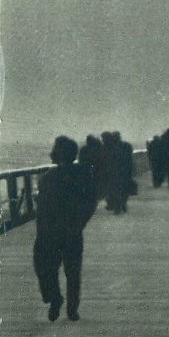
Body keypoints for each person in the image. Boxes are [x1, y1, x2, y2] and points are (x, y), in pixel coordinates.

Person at [33, 136, 97, 322]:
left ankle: (55, 298)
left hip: (50, 232)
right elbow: (91, 202)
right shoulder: (83, 174)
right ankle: (71, 308)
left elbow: (42, 207)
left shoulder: (49, 178)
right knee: (72, 271)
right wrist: (80, 222)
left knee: (46, 268)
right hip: (71, 230)